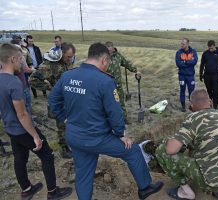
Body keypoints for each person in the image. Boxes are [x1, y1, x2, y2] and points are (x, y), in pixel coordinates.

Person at [48, 42, 163, 200]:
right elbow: (114, 112)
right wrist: (121, 134)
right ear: (103, 59)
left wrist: (65, 119)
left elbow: (53, 101)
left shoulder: (68, 75)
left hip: (74, 136)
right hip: (97, 137)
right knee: (133, 151)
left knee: (83, 173)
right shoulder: (105, 81)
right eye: (108, 62)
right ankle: (145, 188)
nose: (108, 66)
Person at [0, 43, 72, 200]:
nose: (22, 63)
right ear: (12, 59)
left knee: (19, 158)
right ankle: (53, 192)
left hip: (11, 129)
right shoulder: (14, 82)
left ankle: (27, 189)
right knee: (47, 155)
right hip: (23, 129)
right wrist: (35, 136)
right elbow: (22, 114)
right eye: (20, 59)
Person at [155, 89, 218, 200]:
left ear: (191, 105)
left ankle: (186, 192)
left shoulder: (193, 118)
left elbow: (170, 150)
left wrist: (168, 140)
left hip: (210, 181)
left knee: (162, 151)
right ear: (210, 102)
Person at [30, 42, 75, 159]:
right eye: (68, 57)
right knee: (62, 126)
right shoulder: (49, 65)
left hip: (69, 101)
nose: (70, 59)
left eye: (71, 57)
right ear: (61, 54)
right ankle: (64, 148)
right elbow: (33, 79)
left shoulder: (66, 63)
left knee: (70, 124)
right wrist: (50, 88)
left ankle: (71, 143)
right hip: (59, 103)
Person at [105, 41, 140, 124]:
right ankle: (109, 120)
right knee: (108, 102)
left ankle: (124, 118)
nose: (109, 53)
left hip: (118, 84)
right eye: (107, 51)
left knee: (121, 101)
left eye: (110, 51)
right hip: (106, 85)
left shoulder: (118, 56)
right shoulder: (102, 58)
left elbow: (126, 63)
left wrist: (136, 71)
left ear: (113, 49)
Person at [199, 40, 218, 109]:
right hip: (207, 75)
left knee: (215, 91)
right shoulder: (205, 53)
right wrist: (200, 73)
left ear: (214, 46)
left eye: (211, 48)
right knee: (209, 90)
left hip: (216, 76)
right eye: (209, 48)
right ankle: (209, 104)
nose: (210, 49)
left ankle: (215, 105)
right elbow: (202, 64)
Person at [175, 38, 198, 112]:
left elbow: (194, 62)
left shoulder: (193, 51)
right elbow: (178, 64)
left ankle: (192, 106)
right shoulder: (178, 52)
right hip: (182, 75)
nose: (181, 45)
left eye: (183, 44)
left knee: (192, 91)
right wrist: (188, 62)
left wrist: (184, 62)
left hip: (190, 75)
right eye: (181, 43)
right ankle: (183, 106)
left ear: (187, 44)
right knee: (182, 90)